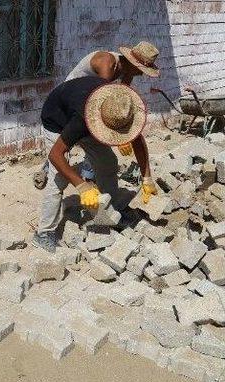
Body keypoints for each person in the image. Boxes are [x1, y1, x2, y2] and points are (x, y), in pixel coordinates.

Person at [33, 77, 157, 253]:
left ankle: (112, 211)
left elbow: (138, 141)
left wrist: (147, 177)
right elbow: (55, 155)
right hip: (58, 119)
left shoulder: (122, 108)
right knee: (58, 176)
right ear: (103, 124)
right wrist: (82, 185)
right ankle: (44, 233)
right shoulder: (81, 120)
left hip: (87, 117)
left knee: (108, 162)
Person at [33, 41, 161, 189]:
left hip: (90, 99)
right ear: (133, 63)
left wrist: (146, 177)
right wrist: (120, 139)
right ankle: (69, 175)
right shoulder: (107, 64)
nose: (141, 74)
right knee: (75, 141)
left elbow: (120, 98)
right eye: (141, 69)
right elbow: (101, 103)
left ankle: (85, 177)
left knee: (94, 145)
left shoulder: (127, 70)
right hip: (71, 101)